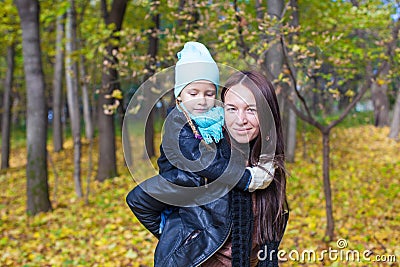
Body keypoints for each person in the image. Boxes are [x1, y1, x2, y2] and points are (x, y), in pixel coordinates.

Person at [126, 46, 286, 266]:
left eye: (251, 109)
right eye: (232, 109)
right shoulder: (193, 167)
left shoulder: (267, 167)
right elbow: (139, 200)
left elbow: (269, 243)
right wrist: (178, 237)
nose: (240, 119)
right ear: (180, 95)